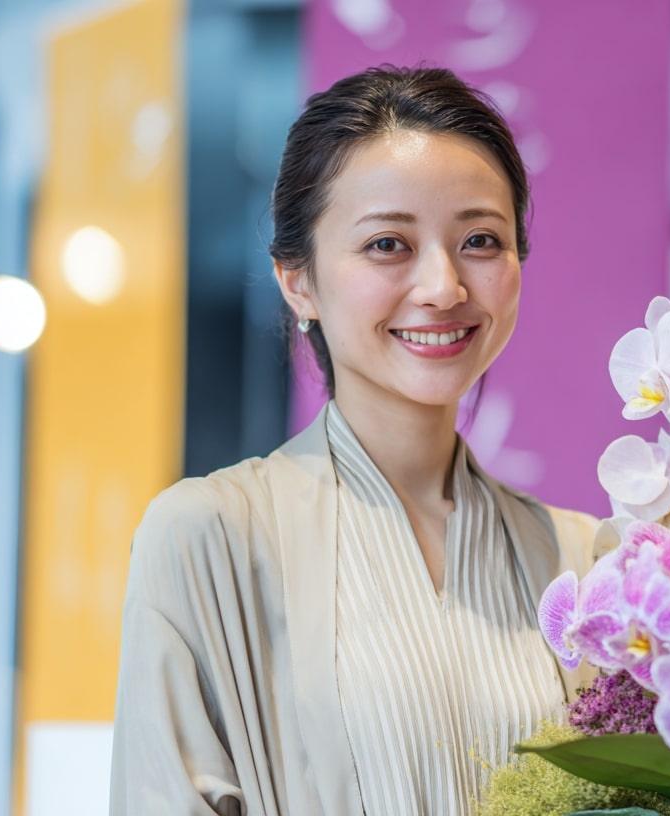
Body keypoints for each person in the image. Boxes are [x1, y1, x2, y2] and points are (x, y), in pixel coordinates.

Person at [109, 66, 603, 815]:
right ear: (297, 279)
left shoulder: (585, 562)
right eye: (387, 245)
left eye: (479, 239)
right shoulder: (209, 536)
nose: (443, 285)